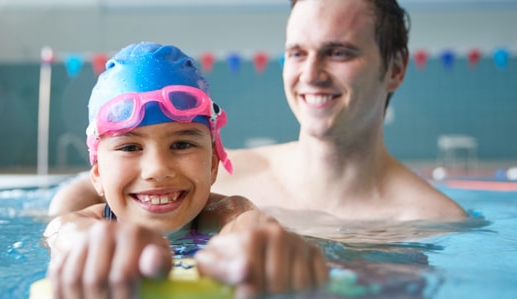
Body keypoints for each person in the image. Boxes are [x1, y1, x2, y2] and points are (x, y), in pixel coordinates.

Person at [48, 0, 466, 228]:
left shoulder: (432, 220)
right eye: (297, 53)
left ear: (395, 68)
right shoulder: (224, 169)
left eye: (339, 52)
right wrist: (65, 231)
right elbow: (91, 189)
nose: (311, 73)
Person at [43, 42, 328, 298]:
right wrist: (89, 246)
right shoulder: (81, 223)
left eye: (181, 144)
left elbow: (248, 226)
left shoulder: (225, 213)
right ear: (98, 176)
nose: (158, 169)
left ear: (214, 165)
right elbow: (65, 233)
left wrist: (257, 244)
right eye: (129, 147)